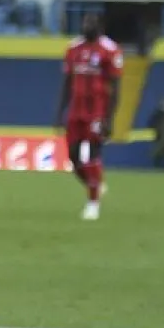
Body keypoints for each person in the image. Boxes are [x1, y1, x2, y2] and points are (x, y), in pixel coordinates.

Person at [55, 13, 123, 221]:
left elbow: (116, 88)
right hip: (76, 113)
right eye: (84, 23)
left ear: (100, 27)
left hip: (97, 113)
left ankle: (92, 204)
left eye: (91, 23)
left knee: (92, 156)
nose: (86, 27)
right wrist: (59, 112)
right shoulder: (73, 48)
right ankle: (95, 184)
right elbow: (67, 83)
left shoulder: (110, 50)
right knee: (73, 158)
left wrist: (109, 119)